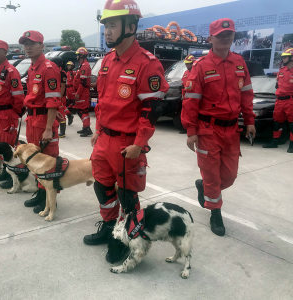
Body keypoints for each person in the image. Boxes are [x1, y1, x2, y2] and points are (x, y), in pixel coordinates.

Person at [83, 0, 169, 263]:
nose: (107, 31)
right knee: (103, 188)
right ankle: (110, 228)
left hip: (126, 144)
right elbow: (105, 99)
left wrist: (140, 144)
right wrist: (98, 129)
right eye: (105, 26)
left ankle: (126, 237)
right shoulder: (108, 60)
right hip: (104, 139)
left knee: (127, 195)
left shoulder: (147, 63)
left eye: (112, 25)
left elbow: (150, 110)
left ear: (130, 26)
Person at [181, 18, 256, 236]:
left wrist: (250, 121)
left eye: (229, 35)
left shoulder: (239, 63)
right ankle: (215, 213)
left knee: (230, 176)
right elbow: (191, 101)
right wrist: (191, 132)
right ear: (211, 38)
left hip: (232, 130)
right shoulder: (201, 67)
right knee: (212, 175)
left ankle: (204, 188)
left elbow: (247, 95)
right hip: (208, 130)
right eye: (221, 35)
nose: (225, 39)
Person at [18, 30, 61, 213]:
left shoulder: (49, 68)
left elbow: (52, 101)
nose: (28, 47)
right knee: (34, 160)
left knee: (48, 161)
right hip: (33, 119)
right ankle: (40, 192)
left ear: (41, 46)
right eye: (25, 44)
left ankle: (50, 198)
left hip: (44, 120)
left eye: (32, 44)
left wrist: (49, 128)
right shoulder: (32, 68)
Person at [0, 39, 25, 181]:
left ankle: (14, 174)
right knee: (0, 144)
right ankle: (6, 170)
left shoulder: (10, 71)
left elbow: (18, 96)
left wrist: (15, 114)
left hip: (7, 114)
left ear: (5, 52)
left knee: (9, 145)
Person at [263, 48, 293, 153]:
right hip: (279, 101)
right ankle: (274, 142)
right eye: (283, 57)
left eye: (285, 57)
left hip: (290, 101)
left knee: (292, 124)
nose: (283, 59)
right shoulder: (281, 71)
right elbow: (277, 85)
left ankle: (292, 145)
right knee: (276, 123)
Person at [73, 47, 92, 137]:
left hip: (83, 92)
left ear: (81, 56)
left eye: (77, 55)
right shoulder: (82, 65)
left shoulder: (85, 66)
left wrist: (78, 93)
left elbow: (83, 82)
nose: (76, 57)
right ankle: (86, 127)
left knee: (83, 110)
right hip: (81, 92)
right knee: (80, 110)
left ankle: (87, 128)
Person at [65, 61, 75, 125]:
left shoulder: (74, 73)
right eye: (68, 65)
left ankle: (70, 115)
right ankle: (70, 115)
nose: (69, 67)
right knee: (67, 104)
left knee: (72, 103)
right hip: (68, 89)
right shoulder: (67, 73)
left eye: (70, 66)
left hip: (72, 89)